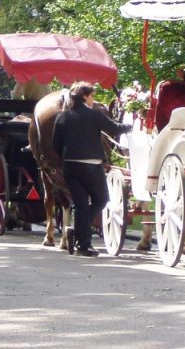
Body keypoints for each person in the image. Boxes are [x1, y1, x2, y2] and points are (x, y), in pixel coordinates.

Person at [51, 82, 132, 257]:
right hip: (91, 166)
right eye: (92, 96)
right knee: (101, 200)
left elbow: (55, 145)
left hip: (70, 166)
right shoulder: (94, 115)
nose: (93, 100)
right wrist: (130, 126)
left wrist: (68, 156)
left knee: (80, 205)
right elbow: (115, 129)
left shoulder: (62, 117)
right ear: (86, 97)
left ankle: (83, 244)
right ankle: (80, 234)